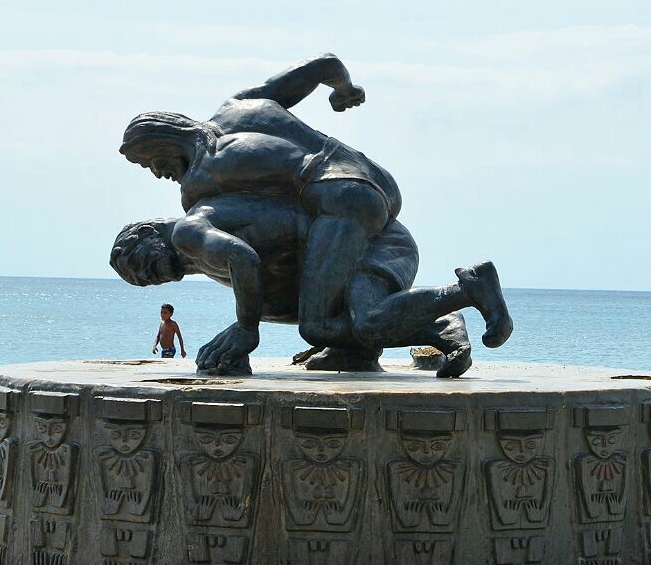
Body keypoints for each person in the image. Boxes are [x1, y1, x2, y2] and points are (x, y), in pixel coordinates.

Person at [116, 52, 513, 360]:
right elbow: (324, 64)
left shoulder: (199, 187)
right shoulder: (238, 108)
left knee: (317, 324)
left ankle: (467, 290)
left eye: (150, 162)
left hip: (338, 199)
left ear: (161, 140)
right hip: (377, 185)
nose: (156, 173)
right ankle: (409, 334)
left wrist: (245, 328)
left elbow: (239, 252)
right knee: (348, 317)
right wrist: (345, 90)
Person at [110, 193, 501, 378]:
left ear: (148, 233)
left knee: (358, 323)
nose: (157, 278)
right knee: (325, 328)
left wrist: (246, 330)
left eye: (147, 268)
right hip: (363, 245)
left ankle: (467, 291)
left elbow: (244, 260)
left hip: (373, 244)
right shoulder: (197, 245)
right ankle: (440, 328)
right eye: (148, 281)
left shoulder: (188, 232)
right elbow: (276, 289)